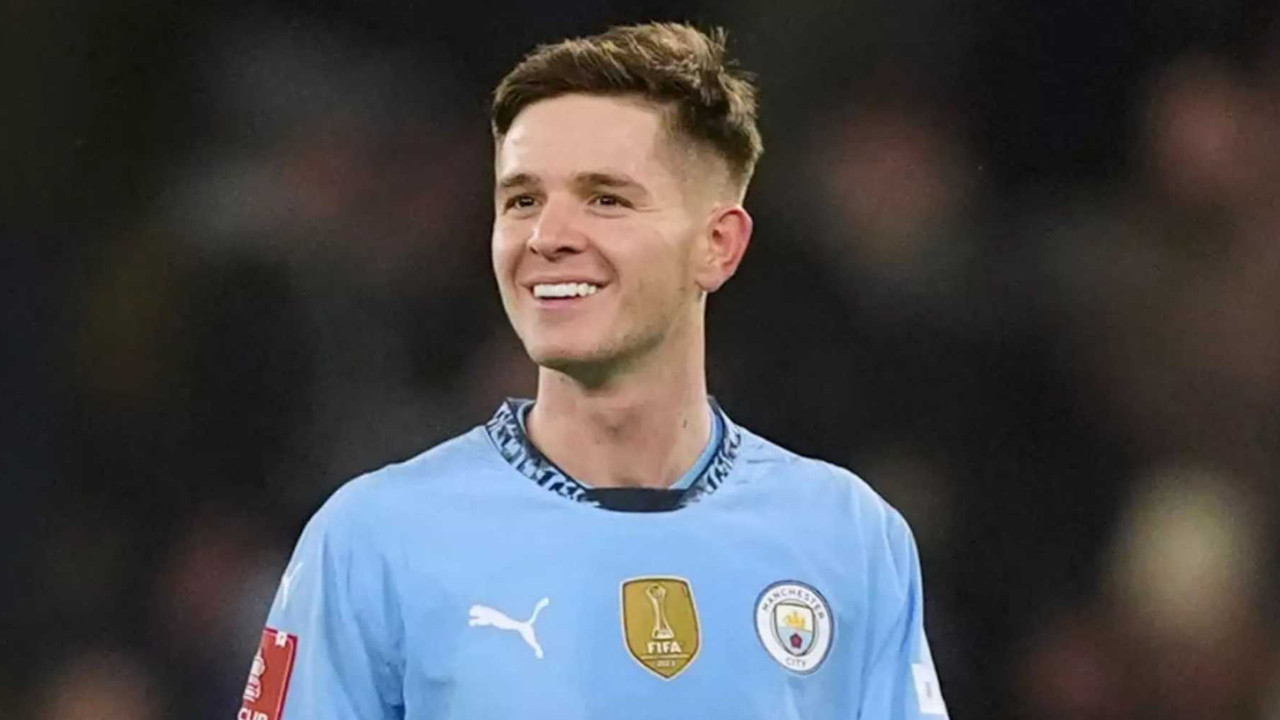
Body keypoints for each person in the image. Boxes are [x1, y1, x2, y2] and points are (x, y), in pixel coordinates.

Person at [238, 21, 949, 720]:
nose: (547, 237)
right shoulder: (373, 540)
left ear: (718, 244)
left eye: (606, 199)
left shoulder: (848, 538)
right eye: (522, 201)